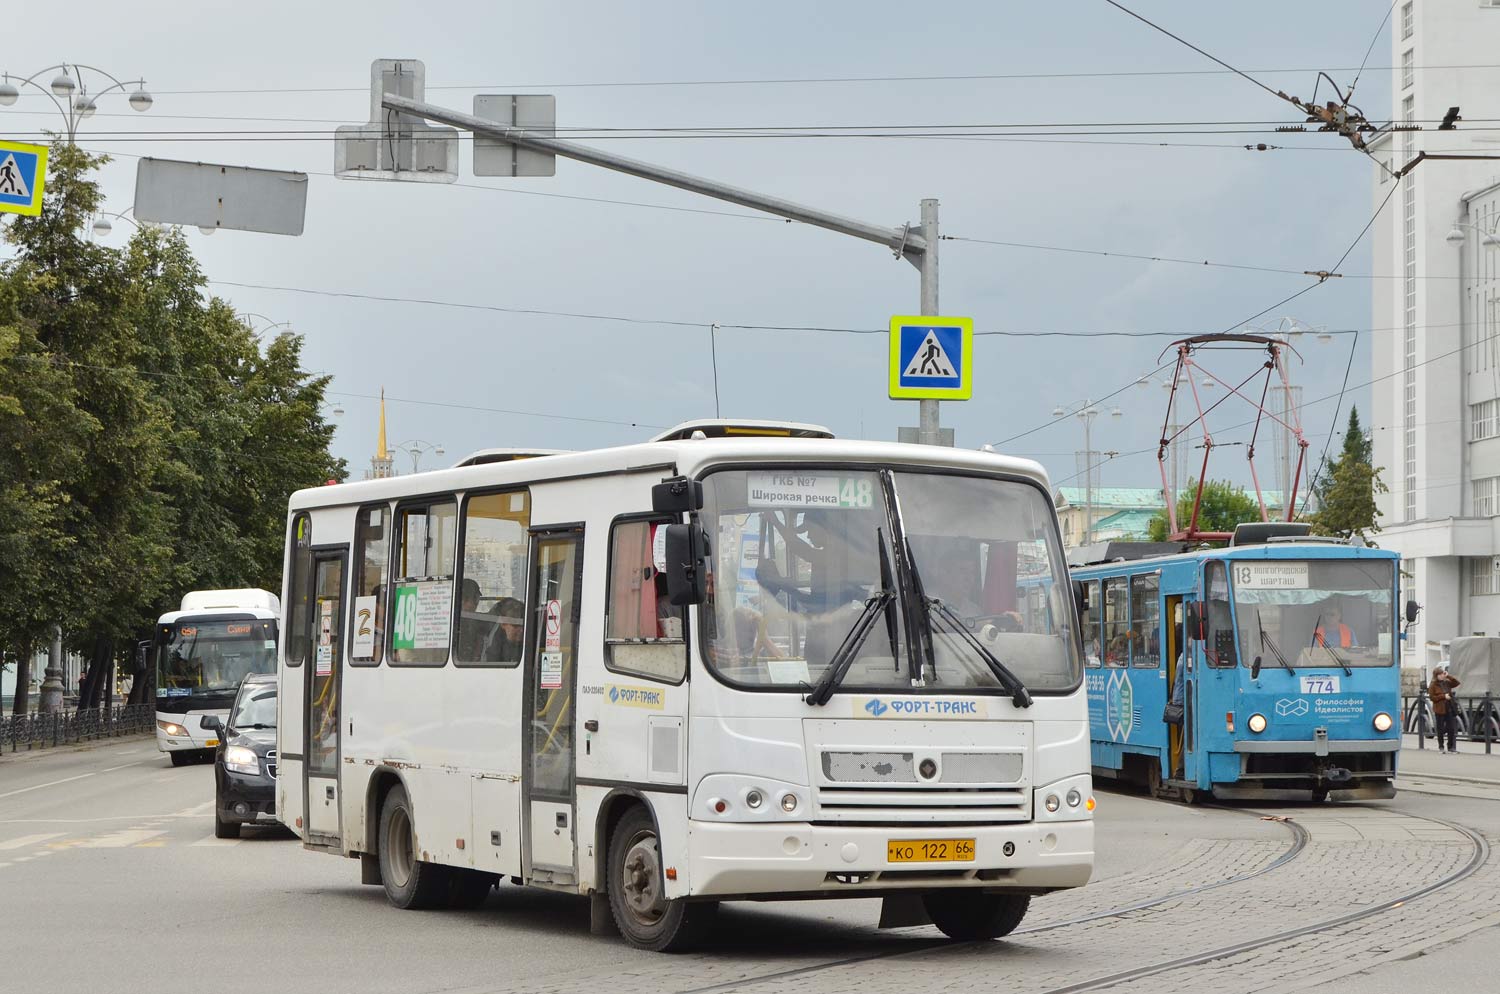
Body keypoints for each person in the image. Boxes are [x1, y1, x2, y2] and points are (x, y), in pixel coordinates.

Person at [1429, 665, 1462, 754]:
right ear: (1436, 676)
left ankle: (1451, 747)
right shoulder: (1433, 685)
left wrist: (1448, 676)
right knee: (1440, 729)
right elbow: (1432, 697)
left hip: (1449, 708)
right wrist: (1443, 696)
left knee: (1451, 728)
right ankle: (1441, 747)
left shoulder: (1446, 682)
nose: (1442, 675)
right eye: (1440, 674)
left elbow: (1457, 683)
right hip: (1439, 709)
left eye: (1443, 674)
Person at [483, 597, 525, 663]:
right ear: (503, 624)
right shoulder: (495, 646)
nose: (521, 630)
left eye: (523, 625)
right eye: (515, 625)